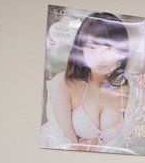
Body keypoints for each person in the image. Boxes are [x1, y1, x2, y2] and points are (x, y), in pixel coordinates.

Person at [41, 12, 135, 153]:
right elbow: (64, 142)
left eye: (109, 48)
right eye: (92, 47)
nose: (100, 57)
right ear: (81, 48)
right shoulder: (64, 83)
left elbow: (129, 142)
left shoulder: (128, 90)